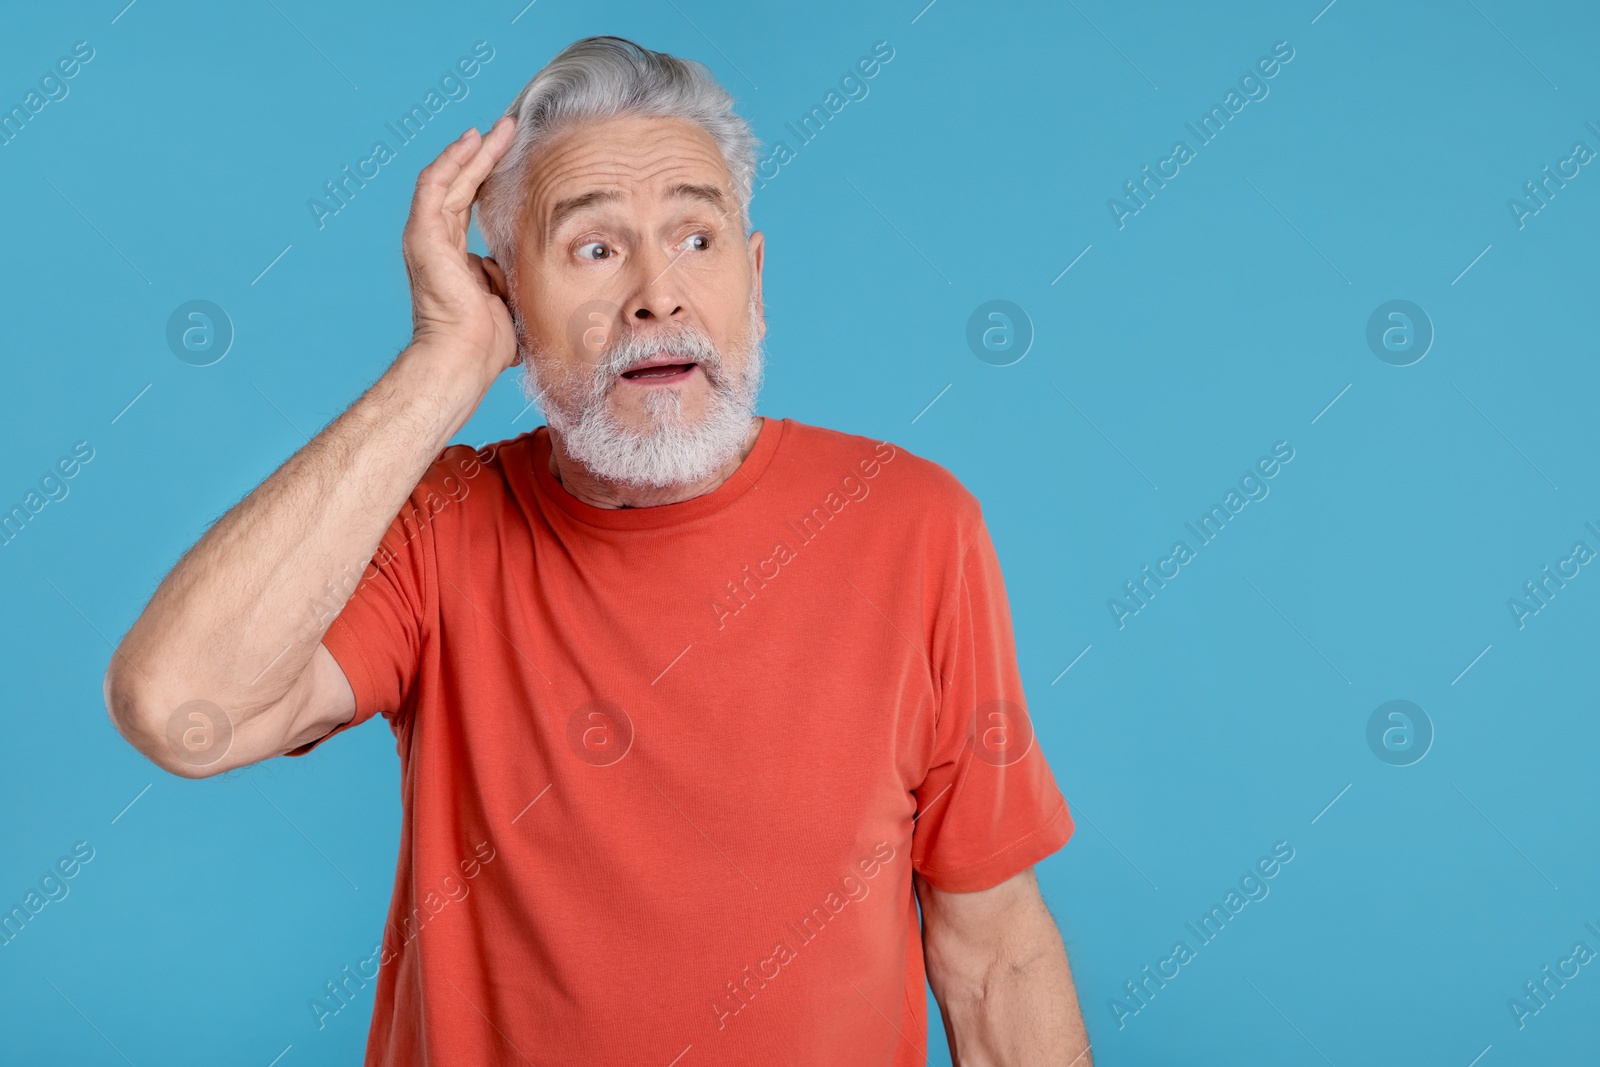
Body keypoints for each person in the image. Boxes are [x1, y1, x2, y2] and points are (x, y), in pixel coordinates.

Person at [105, 35, 1092, 1066]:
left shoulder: (913, 524)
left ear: (754, 282)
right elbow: (179, 708)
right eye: (594, 247)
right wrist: (443, 366)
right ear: (509, 299)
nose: (658, 294)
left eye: (697, 238)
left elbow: (994, 953)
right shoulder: (441, 525)